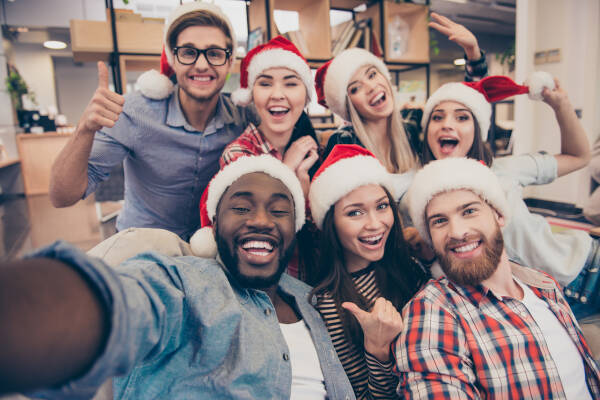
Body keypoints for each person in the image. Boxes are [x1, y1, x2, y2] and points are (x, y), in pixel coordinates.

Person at [0, 154, 356, 400]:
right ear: (214, 227)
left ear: (294, 231)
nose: (262, 220)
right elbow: (123, 304)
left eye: (279, 211)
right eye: (241, 208)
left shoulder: (314, 301)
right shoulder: (182, 283)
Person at [396, 157, 600, 399]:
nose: (458, 232)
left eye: (469, 211)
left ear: (500, 216)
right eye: (439, 221)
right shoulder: (432, 311)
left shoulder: (544, 285)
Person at [49, 3, 257, 240]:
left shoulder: (242, 118)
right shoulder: (134, 112)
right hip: (140, 246)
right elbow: (61, 197)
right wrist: (84, 130)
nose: (201, 65)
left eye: (215, 53)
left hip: (208, 250)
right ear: (173, 59)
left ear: (230, 63)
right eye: (188, 52)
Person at [419, 73, 599, 315]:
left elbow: (579, 157)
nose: (447, 124)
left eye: (462, 117)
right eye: (437, 118)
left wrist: (560, 105)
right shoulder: (418, 189)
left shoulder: (505, 169)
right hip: (535, 302)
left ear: (477, 130)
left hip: (587, 268)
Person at [307, 144, 429, 399]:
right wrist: (377, 349)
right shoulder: (327, 304)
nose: (375, 224)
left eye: (382, 206)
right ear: (331, 224)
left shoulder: (412, 268)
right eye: (355, 213)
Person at [314, 12, 488, 167]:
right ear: (347, 104)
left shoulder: (413, 126)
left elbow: (468, 103)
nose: (371, 87)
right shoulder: (344, 142)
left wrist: (472, 53)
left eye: (372, 75)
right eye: (355, 88)